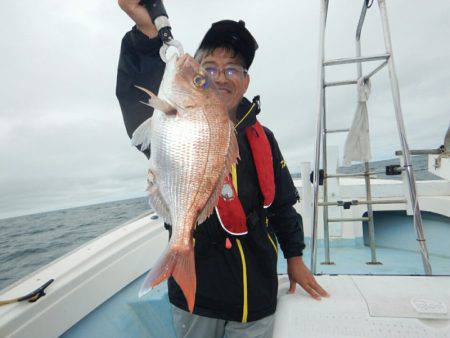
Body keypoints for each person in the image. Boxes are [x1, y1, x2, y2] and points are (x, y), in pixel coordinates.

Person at [116, 1, 329, 337]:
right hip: (199, 300)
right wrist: (146, 33)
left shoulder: (264, 138)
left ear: (245, 81)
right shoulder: (169, 118)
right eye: (209, 67)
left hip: (257, 297)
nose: (219, 77)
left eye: (232, 69)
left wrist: (295, 259)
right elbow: (134, 93)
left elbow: (284, 206)